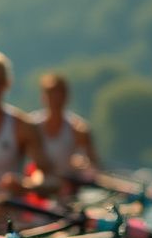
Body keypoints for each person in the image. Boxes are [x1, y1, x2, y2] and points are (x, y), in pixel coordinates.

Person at [0, 49, 59, 231]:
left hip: (10, 218)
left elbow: (51, 180)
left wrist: (27, 185)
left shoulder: (23, 126)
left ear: (7, 84)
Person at [29, 71, 100, 202]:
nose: (55, 98)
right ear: (43, 97)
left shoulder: (78, 128)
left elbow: (95, 165)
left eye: (59, 93)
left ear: (66, 97)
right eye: (51, 93)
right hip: (39, 187)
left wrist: (84, 162)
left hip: (68, 189)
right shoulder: (32, 124)